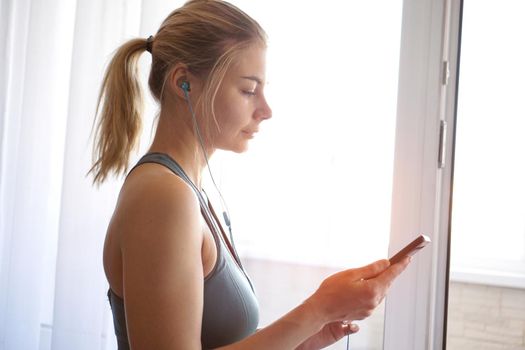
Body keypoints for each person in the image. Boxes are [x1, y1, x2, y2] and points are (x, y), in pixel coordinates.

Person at [89, 0, 410, 349]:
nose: (266, 110)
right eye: (248, 90)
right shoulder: (162, 196)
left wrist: (306, 337)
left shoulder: (189, 190)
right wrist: (318, 309)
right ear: (184, 83)